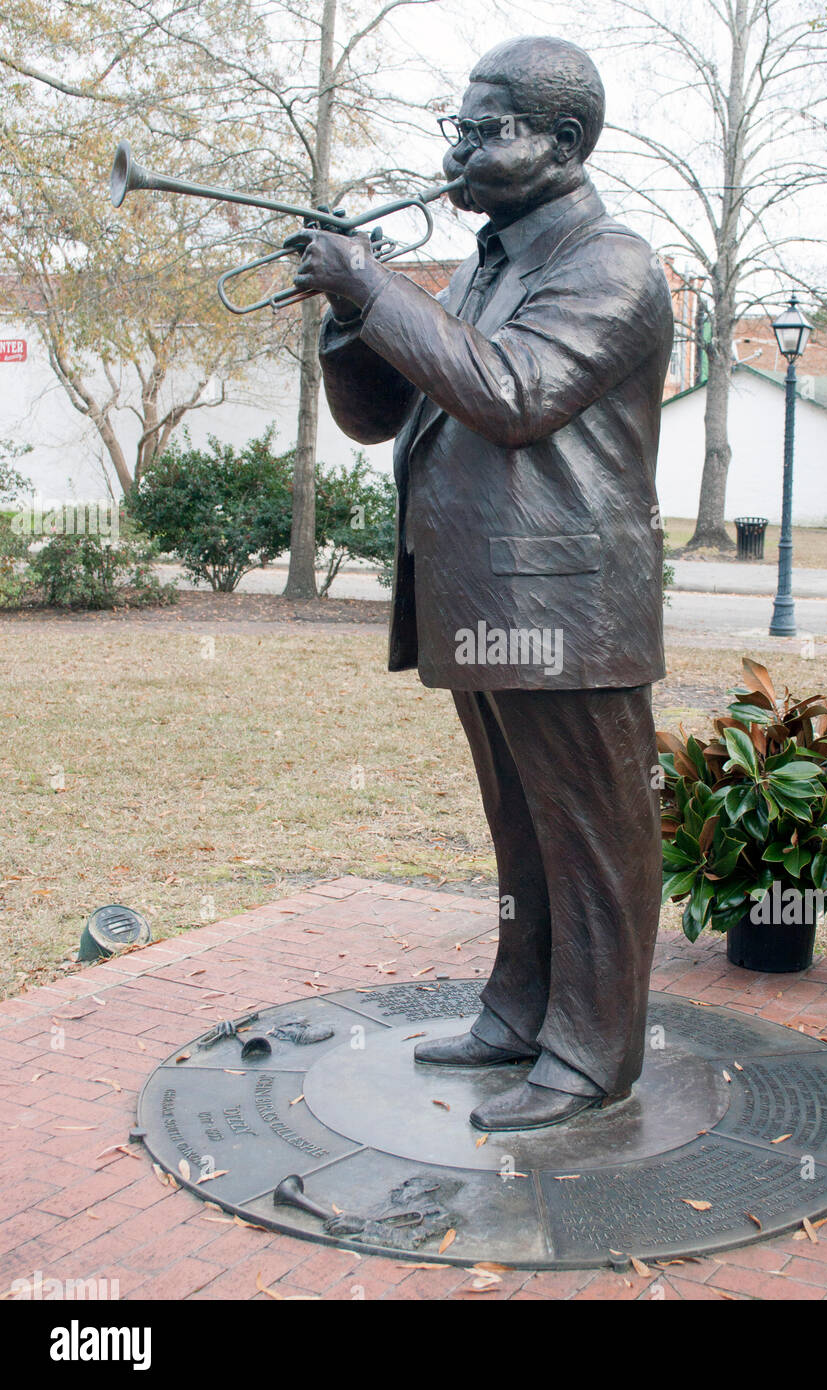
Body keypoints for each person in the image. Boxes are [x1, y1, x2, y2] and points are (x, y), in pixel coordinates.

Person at [294, 34, 674, 1131]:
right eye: (454, 126)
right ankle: (519, 1012)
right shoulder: (484, 266)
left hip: (566, 609)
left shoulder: (611, 262)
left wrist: (374, 280)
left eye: (483, 124)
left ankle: (593, 1055)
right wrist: (349, 313)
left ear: (561, 142)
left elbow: (510, 394)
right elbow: (383, 418)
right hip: (486, 598)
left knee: (593, 841)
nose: (456, 146)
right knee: (522, 830)